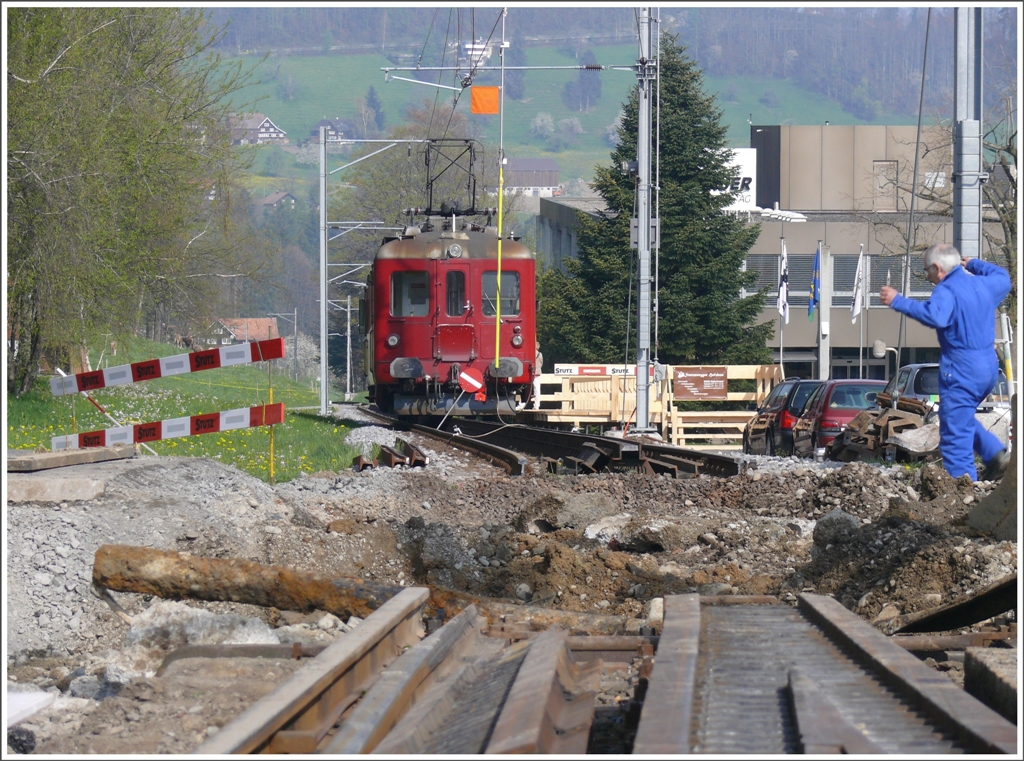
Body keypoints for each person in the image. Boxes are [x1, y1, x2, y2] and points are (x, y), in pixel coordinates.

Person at [880, 243, 1011, 481]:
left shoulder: (946, 290)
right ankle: (994, 454)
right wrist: (972, 263)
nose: (928, 276)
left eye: (927, 271)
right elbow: (1003, 277)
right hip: (988, 369)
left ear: (937, 268)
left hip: (961, 369)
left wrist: (898, 301)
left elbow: (935, 316)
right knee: (959, 419)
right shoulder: (983, 284)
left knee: (953, 435)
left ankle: (962, 489)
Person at [532, 341, 543, 410]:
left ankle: (521, 405)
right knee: (537, 390)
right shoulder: (540, 354)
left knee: (525, 389)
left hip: (531, 374)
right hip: (538, 373)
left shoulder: (531, 353)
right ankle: (537, 405)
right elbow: (541, 363)